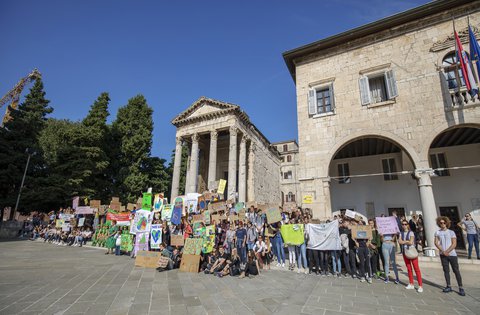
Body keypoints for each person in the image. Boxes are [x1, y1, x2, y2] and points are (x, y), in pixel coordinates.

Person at [435, 216, 465, 296]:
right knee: (446, 270)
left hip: (452, 254)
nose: (442, 224)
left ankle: (461, 287)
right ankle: (448, 286)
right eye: (441, 223)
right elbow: (436, 243)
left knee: (456, 270)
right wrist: (443, 251)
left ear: (447, 223)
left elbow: (454, 244)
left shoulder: (451, 232)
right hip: (443, 254)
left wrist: (447, 251)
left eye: (444, 223)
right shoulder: (437, 232)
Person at [399, 219, 423, 292]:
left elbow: (411, 242)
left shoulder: (411, 232)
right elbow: (400, 242)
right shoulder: (401, 233)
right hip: (405, 252)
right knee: (409, 268)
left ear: (408, 225)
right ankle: (411, 283)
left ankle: (420, 285)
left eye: (405, 224)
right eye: (403, 224)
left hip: (412, 251)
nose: (404, 226)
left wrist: (404, 242)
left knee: (416, 269)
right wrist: (407, 241)